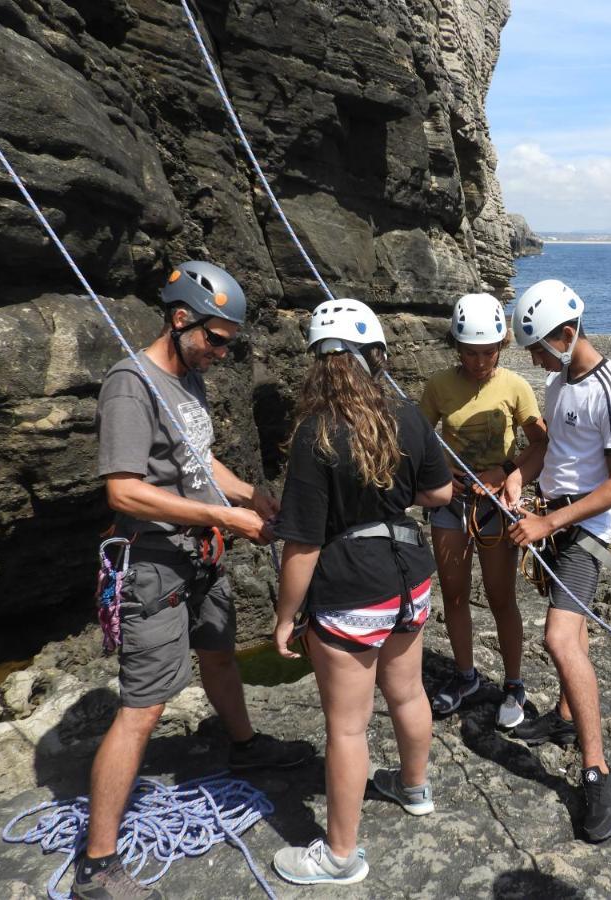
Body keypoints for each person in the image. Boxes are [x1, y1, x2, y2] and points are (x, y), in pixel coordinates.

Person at [73, 261, 305, 900]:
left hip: (199, 556)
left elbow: (195, 460)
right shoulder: (131, 385)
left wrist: (250, 495)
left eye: (231, 342)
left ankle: (245, 744)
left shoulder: (187, 378)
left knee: (220, 656)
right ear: (180, 320)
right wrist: (218, 515)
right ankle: (96, 864)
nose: (222, 353)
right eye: (217, 339)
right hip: (154, 564)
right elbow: (123, 490)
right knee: (143, 708)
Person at [270, 298, 453, 886]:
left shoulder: (315, 435)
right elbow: (441, 494)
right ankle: (414, 787)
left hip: (351, 588)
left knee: (347, 727)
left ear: (317, 364)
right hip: (409, 579)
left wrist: (284, 617)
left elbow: (301, 545)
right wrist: (390, 492)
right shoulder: (407, 415)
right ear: (375, 355)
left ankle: (341, 855)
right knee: (407, 692)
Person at [502, 278, 611, 843]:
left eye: (537, 347)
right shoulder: (561, 386)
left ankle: (597, 769)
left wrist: (548, 523)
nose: (535, 360)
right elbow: (548, 451)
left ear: (564, 334)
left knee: (558, 638)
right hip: (555, 521)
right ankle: (563, 715)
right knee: (574, 631)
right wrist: (517, 475)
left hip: (584, 531)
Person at [419, 293, 548, 728]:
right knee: (453, 594)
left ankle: (513, 683)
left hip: (495, 506)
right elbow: (418, 440)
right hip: (452, 503)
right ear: (456, 346)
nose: (478, 362)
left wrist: (509, 472)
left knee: (500, 596)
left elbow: (540, 444)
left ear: (501, 346)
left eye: (488, 353)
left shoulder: (515, 387)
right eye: (470, 353)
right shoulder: (438, 386)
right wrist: (438, 475)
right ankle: (465, 676)